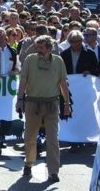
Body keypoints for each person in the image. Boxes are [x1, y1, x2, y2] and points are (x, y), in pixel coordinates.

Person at [16, 35, 71, 183]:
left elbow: (63, 83)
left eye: (41, 47)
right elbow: (23, 81)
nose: (38, 50)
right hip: (32, 103)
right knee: (30, 136)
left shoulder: (58, 61)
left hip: (52, 103)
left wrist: (67, 103)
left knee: (52, 138)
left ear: (49, 48)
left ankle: (53, 171)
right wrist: (19, 100)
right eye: (36, 47)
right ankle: (29, 163)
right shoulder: (30, 60)